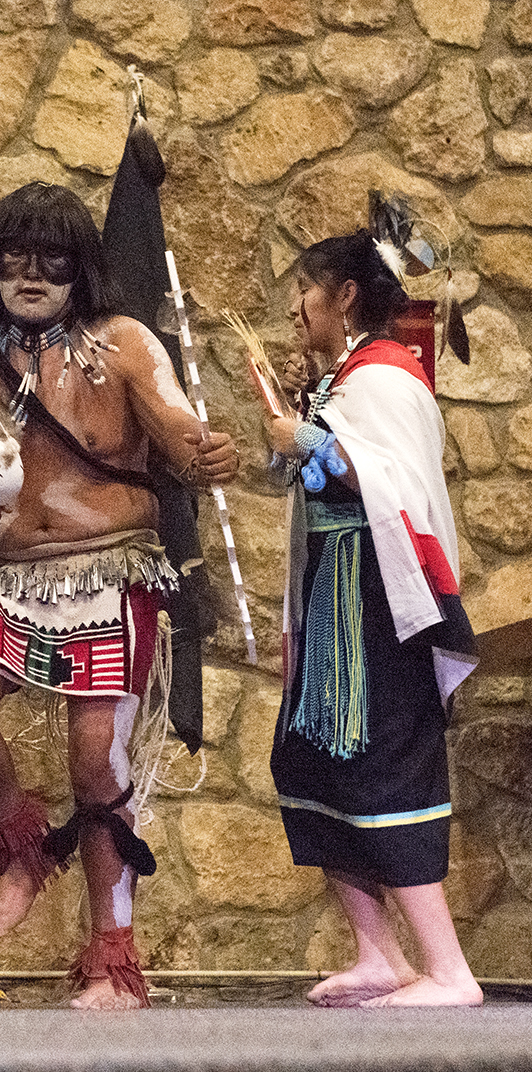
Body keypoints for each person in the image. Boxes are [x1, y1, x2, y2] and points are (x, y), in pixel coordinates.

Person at [0, 182, 238, 1009]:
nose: (33, 278)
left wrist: (205, 455)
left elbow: (175, 428)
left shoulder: (124, 344)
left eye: (52, 263)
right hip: (7, 572)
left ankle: (113, 957)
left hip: (112, 567)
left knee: (96, 761)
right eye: (16, 261)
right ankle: (25, 845)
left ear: (78, 270)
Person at [263, 232, 480, 1008]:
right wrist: (304, 425)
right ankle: (377, 953)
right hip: (337, 601)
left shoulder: (387, 378)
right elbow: (328, 468)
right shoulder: (347, 378)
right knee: (310, 760)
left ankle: (449, 971)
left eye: (305, 290)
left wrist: (311, 439)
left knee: (384, 763)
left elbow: (391, 482)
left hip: (384, 605)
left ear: (344, 296)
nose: (296, 306)